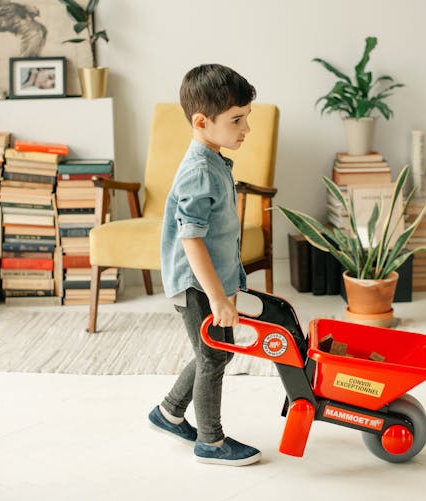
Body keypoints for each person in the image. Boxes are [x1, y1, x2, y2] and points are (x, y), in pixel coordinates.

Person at [147, 64, 261, 466]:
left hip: (211, 278)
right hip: (196, 282)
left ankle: (168, 413)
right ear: (202, 121)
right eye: (236, 120)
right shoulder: (198, 170)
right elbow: (191, 239)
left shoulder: (214, 158)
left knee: (216, 351)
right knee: (214, 355)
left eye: (247, 118)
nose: (246, 128)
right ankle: (210, 442)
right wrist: (218, 298)